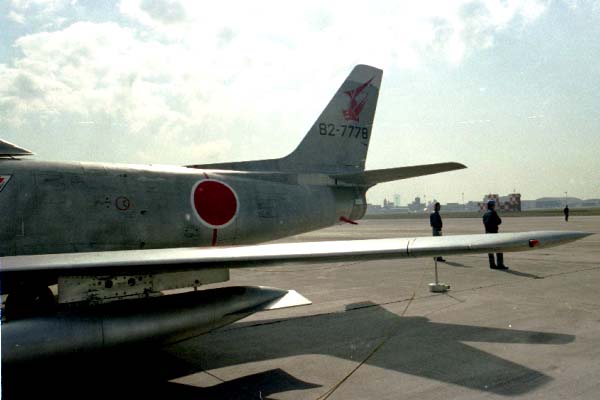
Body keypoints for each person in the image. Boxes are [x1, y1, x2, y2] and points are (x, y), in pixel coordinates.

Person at [483, 200, 507, 270]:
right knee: (499, 248)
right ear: (492, 205)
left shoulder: (485, 214)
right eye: (494, 205)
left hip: (487, 233)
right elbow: (499, 221)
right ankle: (500, 264)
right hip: (494, 233)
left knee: (490, 249)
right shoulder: (493, 213)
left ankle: (492, 264)